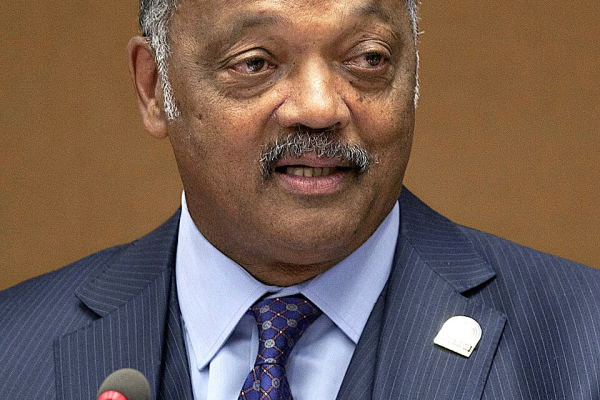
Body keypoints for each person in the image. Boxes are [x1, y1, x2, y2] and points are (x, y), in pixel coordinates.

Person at [1, 0, 599, 399]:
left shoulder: (582, 344)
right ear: (155, 87)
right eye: (255, 63)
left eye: (368, 58)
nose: (319, 106)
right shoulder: (13, 351)